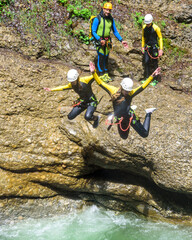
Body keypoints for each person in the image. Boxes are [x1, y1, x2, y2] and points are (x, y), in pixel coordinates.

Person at [89, 61, 160, 139]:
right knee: (124, 137)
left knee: (145, 134)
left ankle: (148, 113)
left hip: (129, 116)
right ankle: (129, 108)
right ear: (122, 87)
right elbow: (101, 83)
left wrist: (152, 76)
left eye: (128, 91)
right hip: (120, 118)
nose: (127, 92)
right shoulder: (113, 91)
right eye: (126, 90)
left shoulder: (130, 93)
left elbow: (142, 87)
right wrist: (93, 72)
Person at [91, 2, 128, 82]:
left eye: (109, 10)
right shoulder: (98, 18)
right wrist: (100, 40)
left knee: (106, 57)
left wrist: (121, 40)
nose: (108, 12)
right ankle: (101, 74)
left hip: (107, 41)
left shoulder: (111, 19)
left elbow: (115, 31)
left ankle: (106, 74)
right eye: (106, 10)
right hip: (99, 41)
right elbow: (93, 31)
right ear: (103, 9)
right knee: (101, 56)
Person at [142, 14, 163, 86]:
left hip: (154, 47)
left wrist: (161, 49)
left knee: (155, 63)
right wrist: (142, 46)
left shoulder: (156, 28)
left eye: (148, 23)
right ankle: (147, 78)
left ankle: (155, 80)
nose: (147, 25)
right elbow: (143, 37)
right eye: (146, 23)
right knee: (146, 61)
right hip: (147, 47)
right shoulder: (144, 27)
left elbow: (160, 38)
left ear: (151, 22)